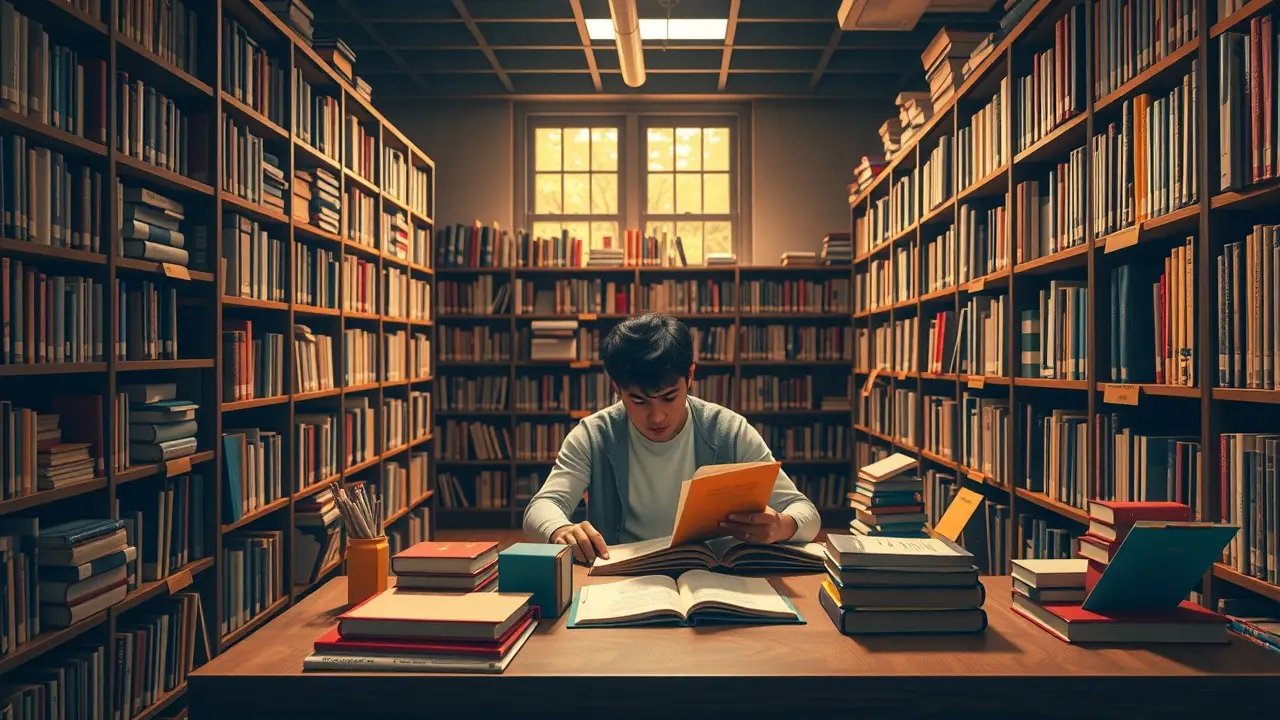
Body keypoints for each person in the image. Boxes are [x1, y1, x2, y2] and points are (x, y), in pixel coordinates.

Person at [522, 313, 821, 563]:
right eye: (638, 401)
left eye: (669, 397)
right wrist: (560, 528)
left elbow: (806, 512)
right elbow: (541, 507)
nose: (657, 417)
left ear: (690, 376)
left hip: (715, 577)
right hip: (621, 577)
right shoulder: (593, 434)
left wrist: (782, 526)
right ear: (617, 388)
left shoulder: (729, 430)